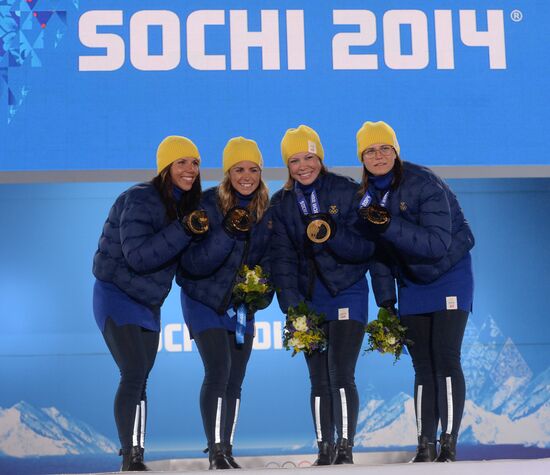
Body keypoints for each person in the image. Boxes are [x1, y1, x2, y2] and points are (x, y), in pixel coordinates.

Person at [355, 121, 474, 462]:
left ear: (396, 152)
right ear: (361, 158)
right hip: (411, 282)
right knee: (422, 366)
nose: (378, 156)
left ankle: (448, 445)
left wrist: (389, 223)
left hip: (449, 275)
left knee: (446, 358)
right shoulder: (365, 198)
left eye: (385, 148)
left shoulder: (424, 182)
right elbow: (377, 252)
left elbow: (436, 245)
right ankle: (425, 445)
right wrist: (386, 302)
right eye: (370, 151)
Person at [92, 136, 206, 471]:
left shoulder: (186, 205)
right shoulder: (141, 198)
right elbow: (138, 257)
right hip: (116, 295)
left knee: (140, 378)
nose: (190, 169)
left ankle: (136, 452)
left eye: (195, 163)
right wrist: (185, 230)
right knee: (133, 372)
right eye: (182, 162)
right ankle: (132, 457)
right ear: (166, 167)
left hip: (148, 302)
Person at [270, 125, 375, 465]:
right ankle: (324, 449)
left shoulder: (345, 191)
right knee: (317, 379)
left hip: (347, 291)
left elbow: (366, 247)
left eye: (310, 157)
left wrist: (330, 236)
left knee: (340, 373)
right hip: (308, 299)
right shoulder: (282, 203)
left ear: (320, 158)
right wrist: (292, 307)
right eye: (295, 160)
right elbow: (282, 259)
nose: (303, 166)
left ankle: (345, 448)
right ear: (287, 165)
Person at [176, 137, 273, 470]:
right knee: (218, 370)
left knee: (235, 379)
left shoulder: (265, 210)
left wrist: (261, 291)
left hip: (240, 306)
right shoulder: (205, 205)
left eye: (253, 169)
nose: (246, 176)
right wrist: (228, 232)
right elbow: (193, 264)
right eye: (239, 169)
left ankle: (228, 449)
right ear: (227, 172)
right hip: (203, 299)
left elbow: (270, 262)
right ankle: (216, 452)